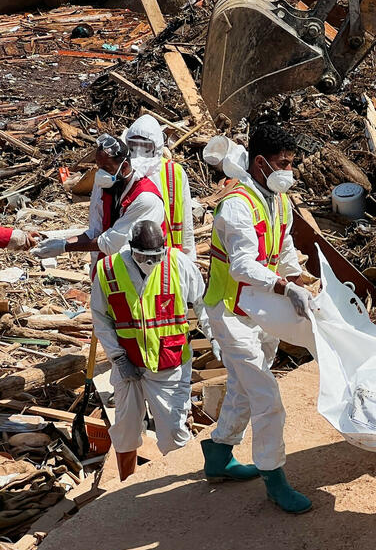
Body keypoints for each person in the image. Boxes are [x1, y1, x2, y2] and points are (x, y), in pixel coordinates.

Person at [201, 123, 314, 515]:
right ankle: (274, 476)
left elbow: (283, 248)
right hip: (230, 311)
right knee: (267, 398)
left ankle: (218, 454)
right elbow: (243, 265)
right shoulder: (236, 204)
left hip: (259, 308)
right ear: (261, 162)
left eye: (292, 163)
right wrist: (286, 288)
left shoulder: (278, 198)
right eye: (284, 164)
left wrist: (299, 281)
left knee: (244, 386)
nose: (290, 170)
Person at [91, 220, 207, 481]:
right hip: (128, 363)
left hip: (169, 364)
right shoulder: (108, 270)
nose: (152, 261)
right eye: (145, 256)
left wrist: (217, 337)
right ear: (132, 249)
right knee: (125, 428)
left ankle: (178, 486)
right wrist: (118, 359)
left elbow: (202, 302)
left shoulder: (177, 263)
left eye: (157, 255)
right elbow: (101, 318)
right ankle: (125, 485)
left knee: (173, 431)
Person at [32, 134, 165, 269]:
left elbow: (112, 243)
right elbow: (96, 231)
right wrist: (61, 243)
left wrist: (64, 246)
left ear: (124, 167)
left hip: (140, 270)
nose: (101, 174)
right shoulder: (106, 184)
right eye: (99, 167)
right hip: (110, 267)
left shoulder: (145, 199)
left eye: (106, 168)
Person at [124, 114, 196, 259]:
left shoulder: (174, 172)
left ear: (156, 147)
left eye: (145, 148)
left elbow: (186, 221)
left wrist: (189, 259)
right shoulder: (123, 170)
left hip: (168, 254)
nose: (138, 153)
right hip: (131, 254)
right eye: (133, 147)